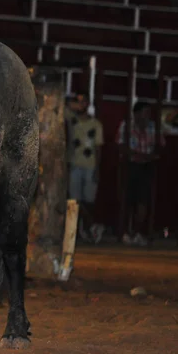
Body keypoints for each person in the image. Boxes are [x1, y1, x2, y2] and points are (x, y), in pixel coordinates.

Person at [116, 101, 165, 246]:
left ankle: (137, 232)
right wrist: (138, 154)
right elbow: (120, 146)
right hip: (130, 166)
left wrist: (150, 157)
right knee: (127, 199)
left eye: (149, 113)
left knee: (143, 201)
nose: (147, 116)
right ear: (136, 113)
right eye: (145, 112)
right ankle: (124, 232)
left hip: (146, 167)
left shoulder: (153, 127)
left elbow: (161, 146)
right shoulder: (126, 126)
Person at [65, 92, 105, 244]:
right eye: (78, 101)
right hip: (74, 164)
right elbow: (62, 106)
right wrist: (72, 103)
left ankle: (87, 228)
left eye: (83, 102)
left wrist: (98, 169)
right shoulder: (71, 119)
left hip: (90, 166)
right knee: (74, 201)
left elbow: (99, 148)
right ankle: (90, 227)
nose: (80, 105)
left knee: (88, 201)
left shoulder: (96, 124)